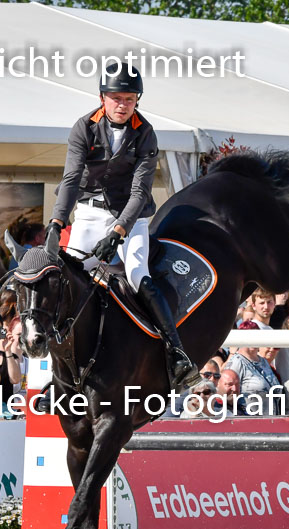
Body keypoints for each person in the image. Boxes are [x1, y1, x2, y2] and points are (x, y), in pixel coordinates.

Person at [44, 62, 197, 389]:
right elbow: (71, 179)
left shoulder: (145, 132)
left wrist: (118, 233)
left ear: (136, 100)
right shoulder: (83, 127)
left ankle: (176, 353)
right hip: (88, 214)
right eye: (116, 98)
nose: (123, 105)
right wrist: (57, 221)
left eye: (129, 98)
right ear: (102, 97)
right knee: (70, 280)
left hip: (132, 217)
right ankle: (55, 376)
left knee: (138, 274)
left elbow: (140, 191)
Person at [223, 321, 283, 414]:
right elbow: (227, 393)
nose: (252, 341)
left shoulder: (263, 361)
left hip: (272, 421)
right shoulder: (237, 362)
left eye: (256, 337)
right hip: (249, 421)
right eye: (248, 337)